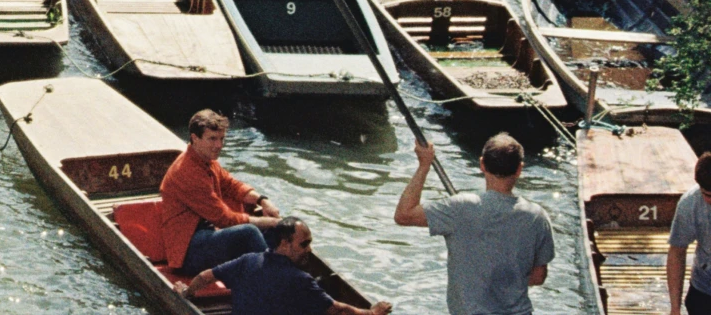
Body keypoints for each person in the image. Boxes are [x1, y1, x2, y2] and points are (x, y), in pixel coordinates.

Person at [394, 136, 553, 315]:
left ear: (482, 165)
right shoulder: (537, 216)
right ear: (519, 169)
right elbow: (538, 277)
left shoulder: (461, 207)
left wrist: (424, 165)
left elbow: (403, 215)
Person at [176, 218, 392, 315]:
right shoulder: (299, 279)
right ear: (284, 243)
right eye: (304, 244)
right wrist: (371, 313)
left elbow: (205, 277)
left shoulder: (248, 259)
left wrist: (186, 293)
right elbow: (337, 310)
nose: (308, 249)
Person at [158, 108, 283, 277]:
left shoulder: (206, 160)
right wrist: (270, 222)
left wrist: (262, 200)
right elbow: (225, 219)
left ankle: (276, 272)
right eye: (212, 139)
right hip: (189, 254)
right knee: (250, 232)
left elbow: (232, 185)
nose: (219, 145)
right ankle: (277, 279)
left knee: (276, 230)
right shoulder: (187, 172)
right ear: (195, 138)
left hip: (209, 237)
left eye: (221, 139)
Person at [666, 145, 711, 315]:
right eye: (706, 195)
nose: (709, 201)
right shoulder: (689, 203)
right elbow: (677, 252)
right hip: (704, 289)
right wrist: (675, 308)